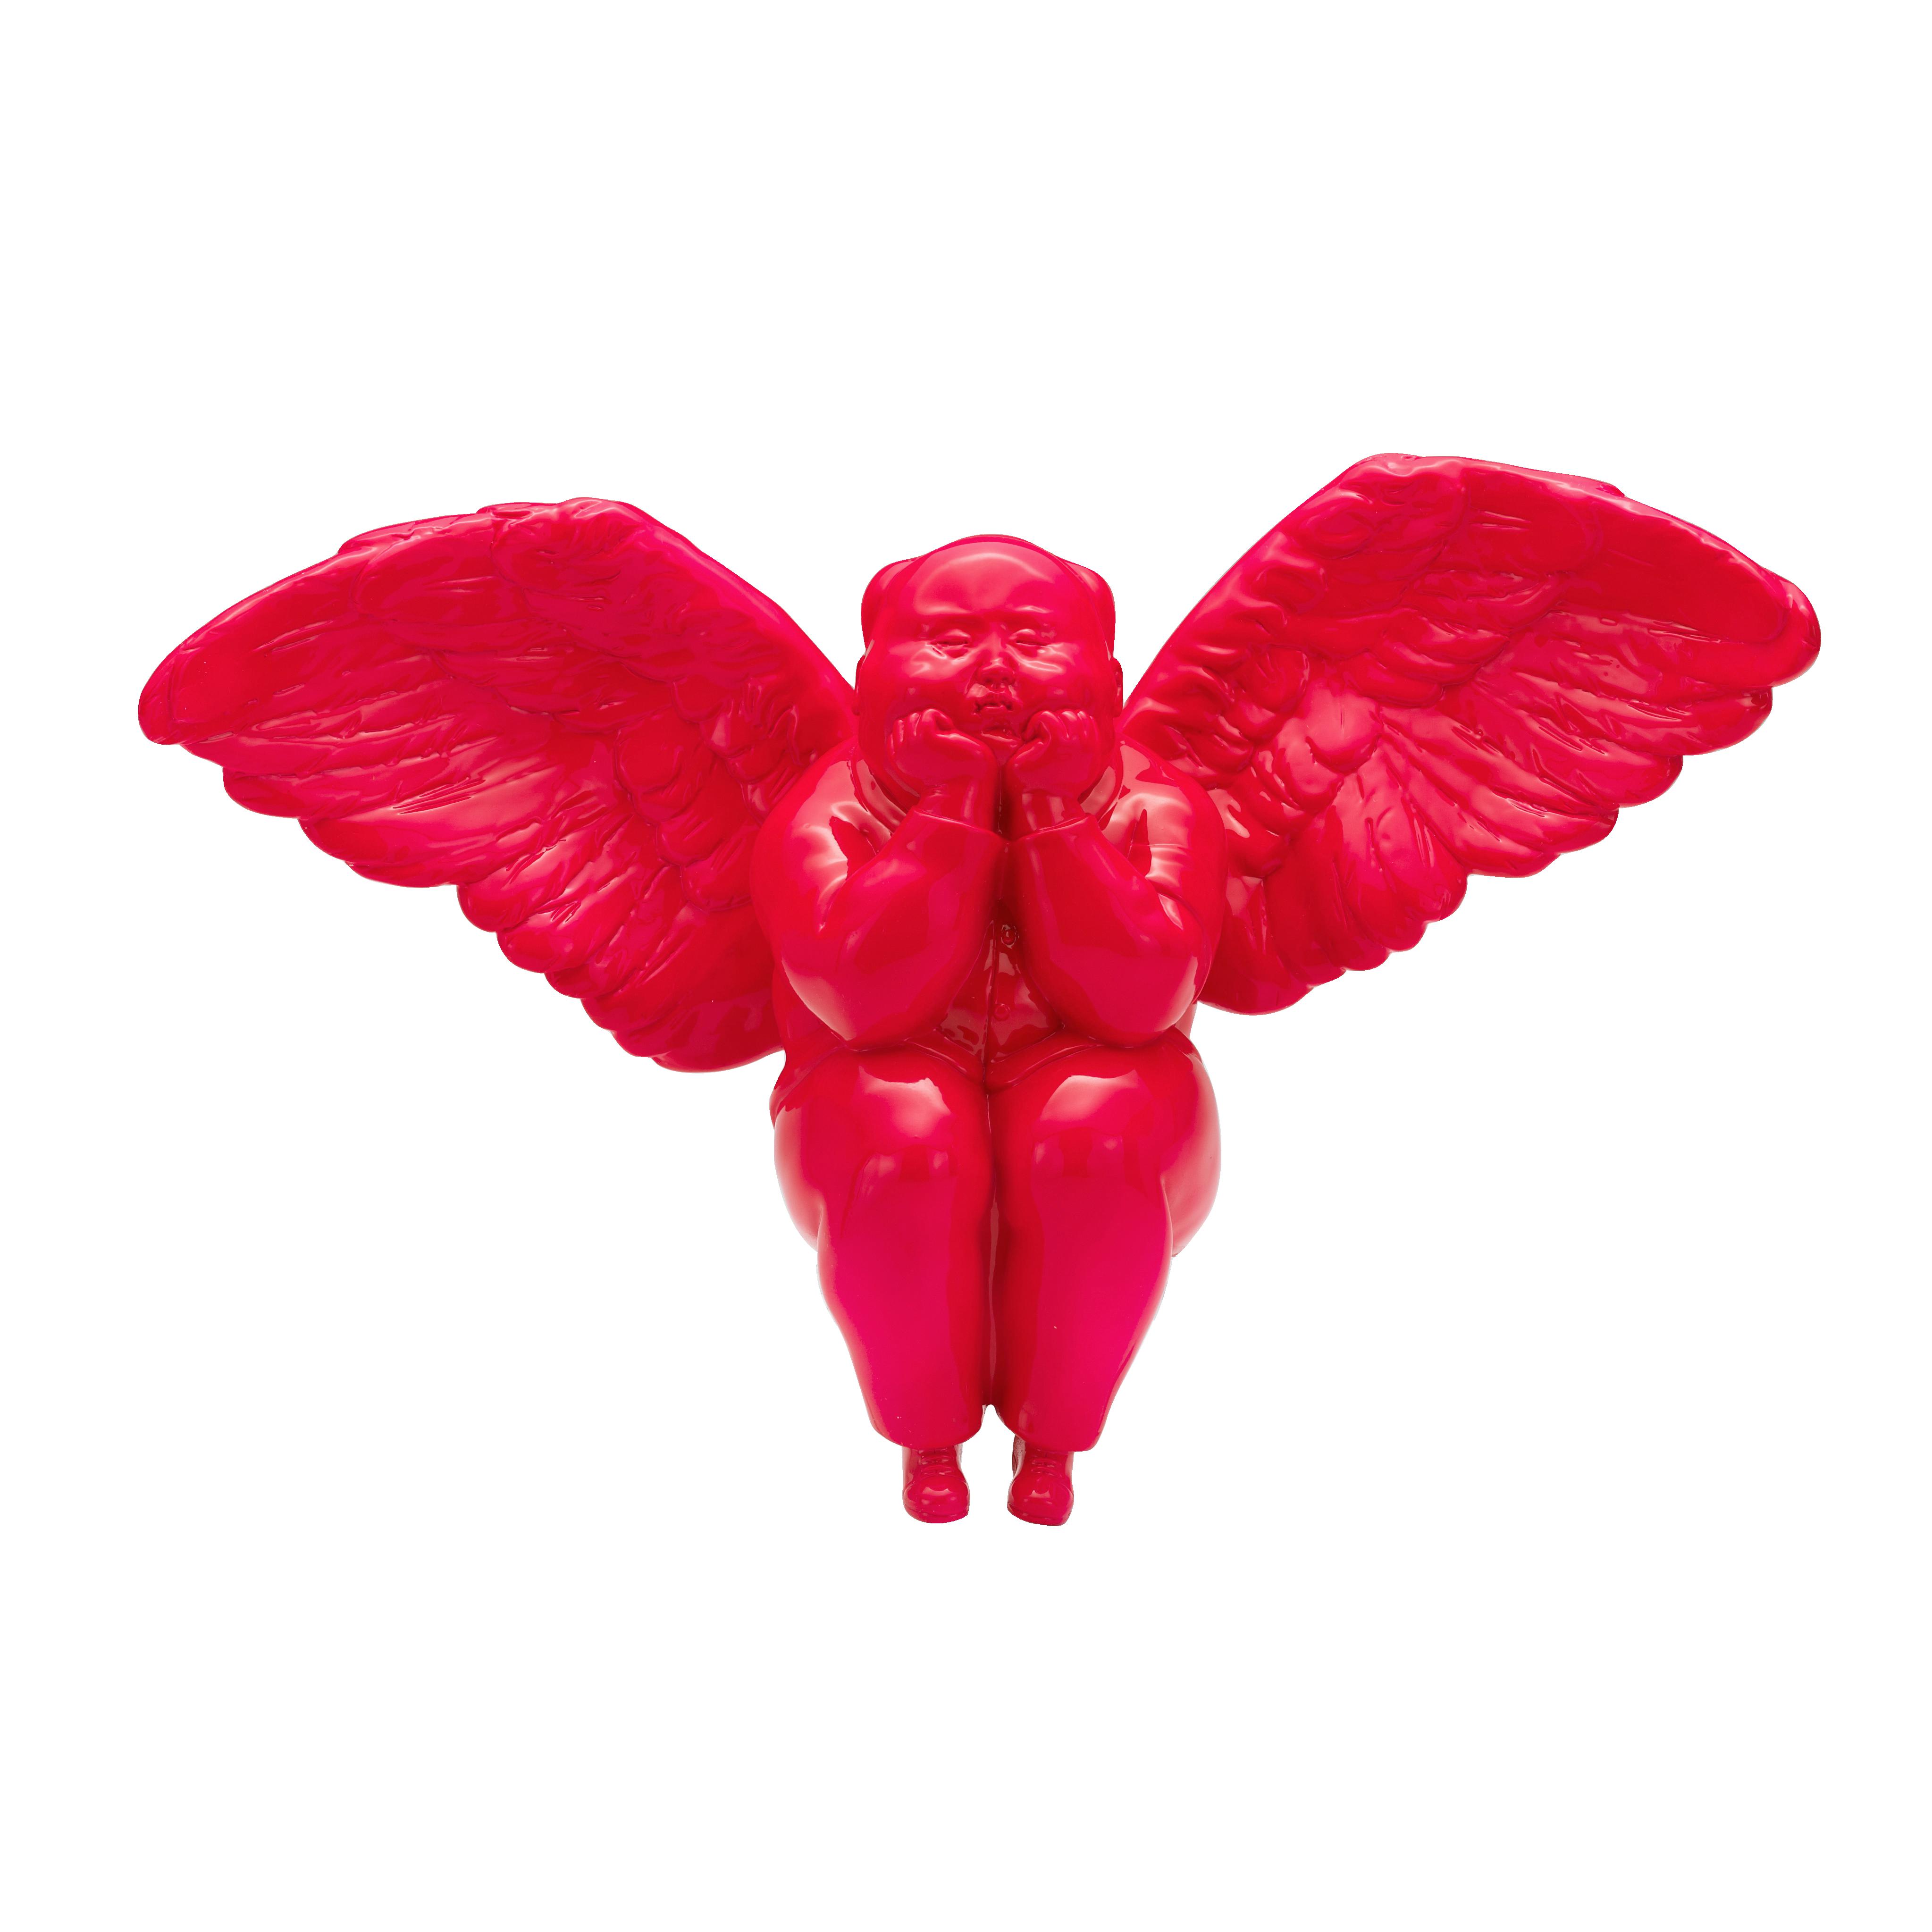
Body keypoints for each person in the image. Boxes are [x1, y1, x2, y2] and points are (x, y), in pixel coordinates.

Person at [752, 535, 1225, 1523]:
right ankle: (925, 1435)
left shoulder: (1157, 804)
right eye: (950, 640)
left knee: (1095, 1129)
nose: (995, 669)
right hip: (868, 1084)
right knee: (902, 1132)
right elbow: (866, 999)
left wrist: (1051, 814)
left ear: (1106, 681)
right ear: (871, 677)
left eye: (1034, 640)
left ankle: (1055, 1439)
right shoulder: (826, 808)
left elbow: (1139, 997)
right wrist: (954, 810)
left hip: (1115, 1084)